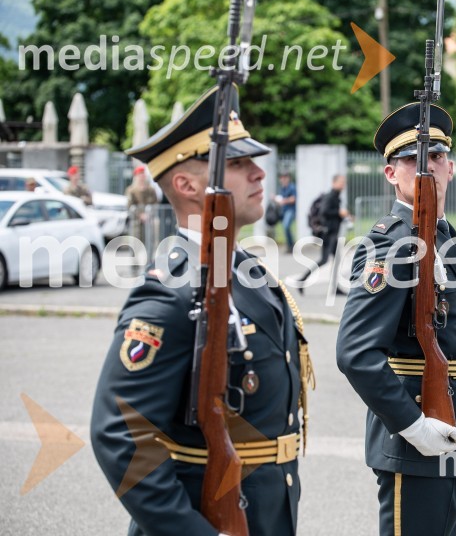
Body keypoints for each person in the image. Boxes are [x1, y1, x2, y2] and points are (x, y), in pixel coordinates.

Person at [90, 86, 311, 536]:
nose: (258, 173)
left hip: (266, 510)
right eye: (237, 163)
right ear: (188, 185)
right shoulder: (170, 293)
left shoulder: (249, 270)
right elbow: (120, 434)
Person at [335, 102, 456, 536]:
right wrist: (412, 425)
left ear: (450, 168)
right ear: (391, 174)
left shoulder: (446, 238)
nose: (429, 168)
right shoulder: (391, 245)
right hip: (417, 436)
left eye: (437, 157)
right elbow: (355, 353)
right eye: (413, 160)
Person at [295, 174, 350, 293]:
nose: (343, 184)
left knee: (336, 260)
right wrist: (339, 213)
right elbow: (324, 212)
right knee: (324, 260)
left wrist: (344, 216)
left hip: (333, 234)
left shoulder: (336, 197)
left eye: (344, 182)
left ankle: (335, 288)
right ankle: (302, 280)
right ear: (334, 183)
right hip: (328, 234)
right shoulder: (330, 196)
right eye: (341, 182)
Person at [125, 165, 159, 246]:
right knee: (136, 240)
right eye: (140, 175)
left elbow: (155, 203)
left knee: (151, 239)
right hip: (136, 219)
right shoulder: (131, 190)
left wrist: (148, 214)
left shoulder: (151, 190)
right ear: (136, 176)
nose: (142, 177)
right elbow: (130, 205)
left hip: (149, 218)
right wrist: (140, 215)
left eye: (143, 174)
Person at [277, 172, 297, 251]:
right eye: (282, 178)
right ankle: (290, 245)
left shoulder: (291, 187)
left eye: (285, 178)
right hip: (284, 210)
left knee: (286, 226)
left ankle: (291, 245)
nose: (283, 180)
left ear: (288, 178)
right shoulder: (282, 188)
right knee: (285, 228)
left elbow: (293, 199)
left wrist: (284, 201)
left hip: (290, 210)